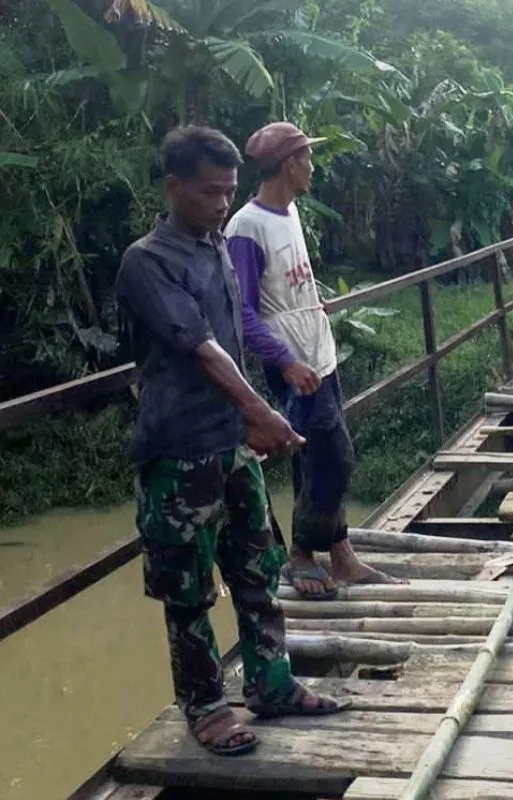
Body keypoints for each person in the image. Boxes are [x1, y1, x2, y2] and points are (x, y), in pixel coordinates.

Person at [115, 126, 350, 758]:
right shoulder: (148, 261)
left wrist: (251, 419)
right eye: (209, 193)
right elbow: (199, 346)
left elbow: (237, 338)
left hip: (232, 444)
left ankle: (271, 682)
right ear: (174, 188)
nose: (222, 204)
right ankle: (207, 707)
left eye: (229, 192)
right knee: (188, 590)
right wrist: (260, 408)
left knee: (257, 572)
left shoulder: (216, 246)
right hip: (178, 452)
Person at [225, 121, 401, 599]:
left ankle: (341, 557)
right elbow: (241, 308)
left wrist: (315, 301)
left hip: (318, 352)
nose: (313, 167)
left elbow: (288, 280)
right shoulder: (247, 227)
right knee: (336, 459)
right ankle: (301, 554)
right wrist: (283, 362)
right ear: (288, 165)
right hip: (295, 365)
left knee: (316, 457)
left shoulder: (289, 213)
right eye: (307, 158)